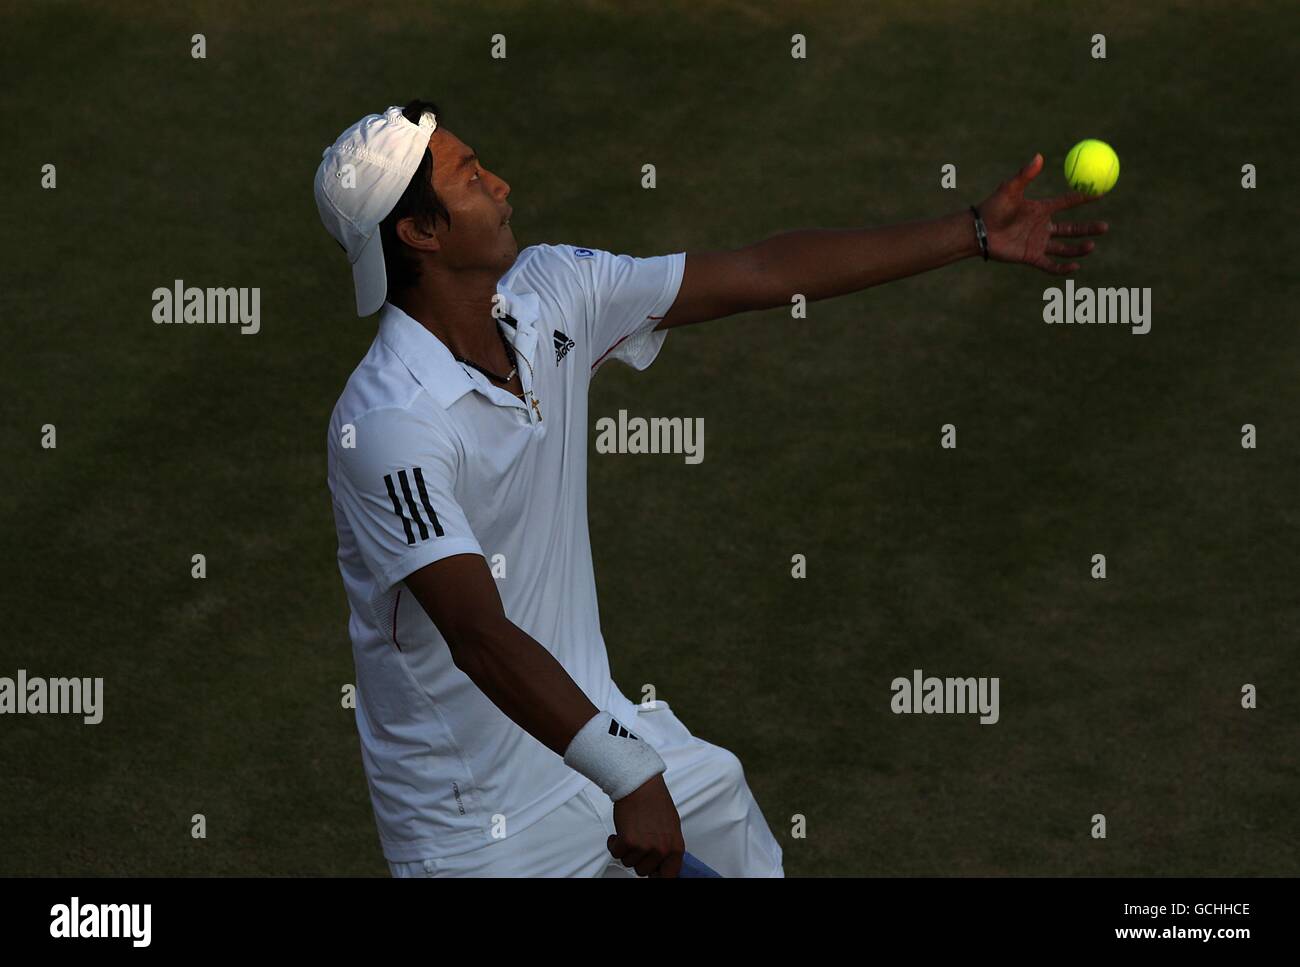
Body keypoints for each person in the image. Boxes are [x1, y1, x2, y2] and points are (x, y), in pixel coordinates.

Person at [315, 100, 1108, 877]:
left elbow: (762, 272)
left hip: (600, 733)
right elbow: (476, 632)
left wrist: (971, 230)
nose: (503, 183)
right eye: (470, 176)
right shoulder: (390, 422)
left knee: (722, 796)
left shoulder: (549, 293)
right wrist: (627, 772)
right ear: (419, 232)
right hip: (479, 826)